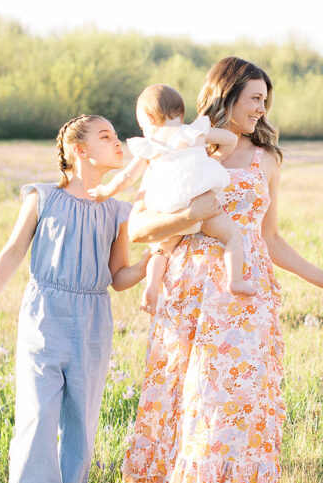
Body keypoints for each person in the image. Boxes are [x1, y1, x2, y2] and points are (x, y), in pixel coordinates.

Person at [121, 56, 323, 483]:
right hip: (190, 287)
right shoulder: (184, 145)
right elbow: (137, 228)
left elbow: (269, 237)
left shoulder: (267, 159)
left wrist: (322, 278)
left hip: (245, 289)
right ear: (226, 95)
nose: (263, 110)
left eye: (267, 101)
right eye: (255, 99)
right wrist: (191, 213)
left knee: (230, 399)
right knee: (188, 391)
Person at [0, 114, 150, 483]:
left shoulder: (118, 212)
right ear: (80, 150)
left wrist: (151, 263)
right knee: (37, 410)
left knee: (81, 417)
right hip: (45, 314)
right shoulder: (43, 197)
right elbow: (14, 249)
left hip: (93, 319)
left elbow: (117, 277)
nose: (118, 143)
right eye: (106, 137)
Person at [89, 83, 255, 314]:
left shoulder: (151, 145)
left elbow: (128, 176)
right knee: (232, 236)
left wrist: (105, 192)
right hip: (201, 201)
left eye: (141, 125)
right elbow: (229, 139)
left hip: (168, 209)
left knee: (161, 251)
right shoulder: (192, 132)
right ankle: (235, 279)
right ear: (180, 112)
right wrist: (216, 157)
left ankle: (151, 289)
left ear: (149, 118)